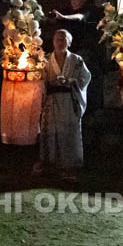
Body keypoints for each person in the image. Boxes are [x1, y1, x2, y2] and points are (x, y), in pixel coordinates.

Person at [34, 29, 91, 181]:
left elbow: (85, 77)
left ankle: (69, 167)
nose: (60, 42)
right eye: (57, 39)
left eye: (63, 39)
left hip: (69, 100)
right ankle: (49, 164)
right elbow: (39, 80)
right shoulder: (45, 60)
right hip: (51, 101)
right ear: (53, 42)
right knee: (51, 131)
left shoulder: (76, 60)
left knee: (68, 132)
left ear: (69, 42)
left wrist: (72, 81)